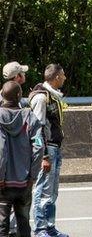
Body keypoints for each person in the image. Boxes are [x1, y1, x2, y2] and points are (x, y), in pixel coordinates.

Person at [0, 81, 44, 237]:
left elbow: (1, 150)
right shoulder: (30, 117)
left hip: (3, 184)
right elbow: (39, 147)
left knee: (2, 227)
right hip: (24, 182)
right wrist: (32, 175)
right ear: (19, 96)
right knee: (24, 224)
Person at [30, 64, 69, 237]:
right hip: (48, 150)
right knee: (43, 190)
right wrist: (43, 155)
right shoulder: (41, 98)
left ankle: (50, 226)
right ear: (56, 78)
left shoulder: (53, 96)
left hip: (55, 148)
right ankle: (40, 228)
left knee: (52, 192)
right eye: (63, 75)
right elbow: (37, 128)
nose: (65, 78)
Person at [1, 61, 29, 236]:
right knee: (20, 219)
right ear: (17, 77)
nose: (24, 76)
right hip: (18, 174)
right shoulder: (23, 110)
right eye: (22, 73)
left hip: (8, 174)